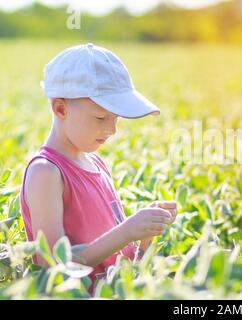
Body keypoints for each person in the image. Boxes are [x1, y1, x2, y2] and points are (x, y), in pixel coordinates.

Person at [19, 43, 177, 290]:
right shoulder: (46, 172)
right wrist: (126, 231)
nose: (112, 130)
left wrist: (143, 235)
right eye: (101, 118)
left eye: (117, 119)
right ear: (61, 108)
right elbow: (52, 269)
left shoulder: (96, 163)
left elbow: (116, 260)